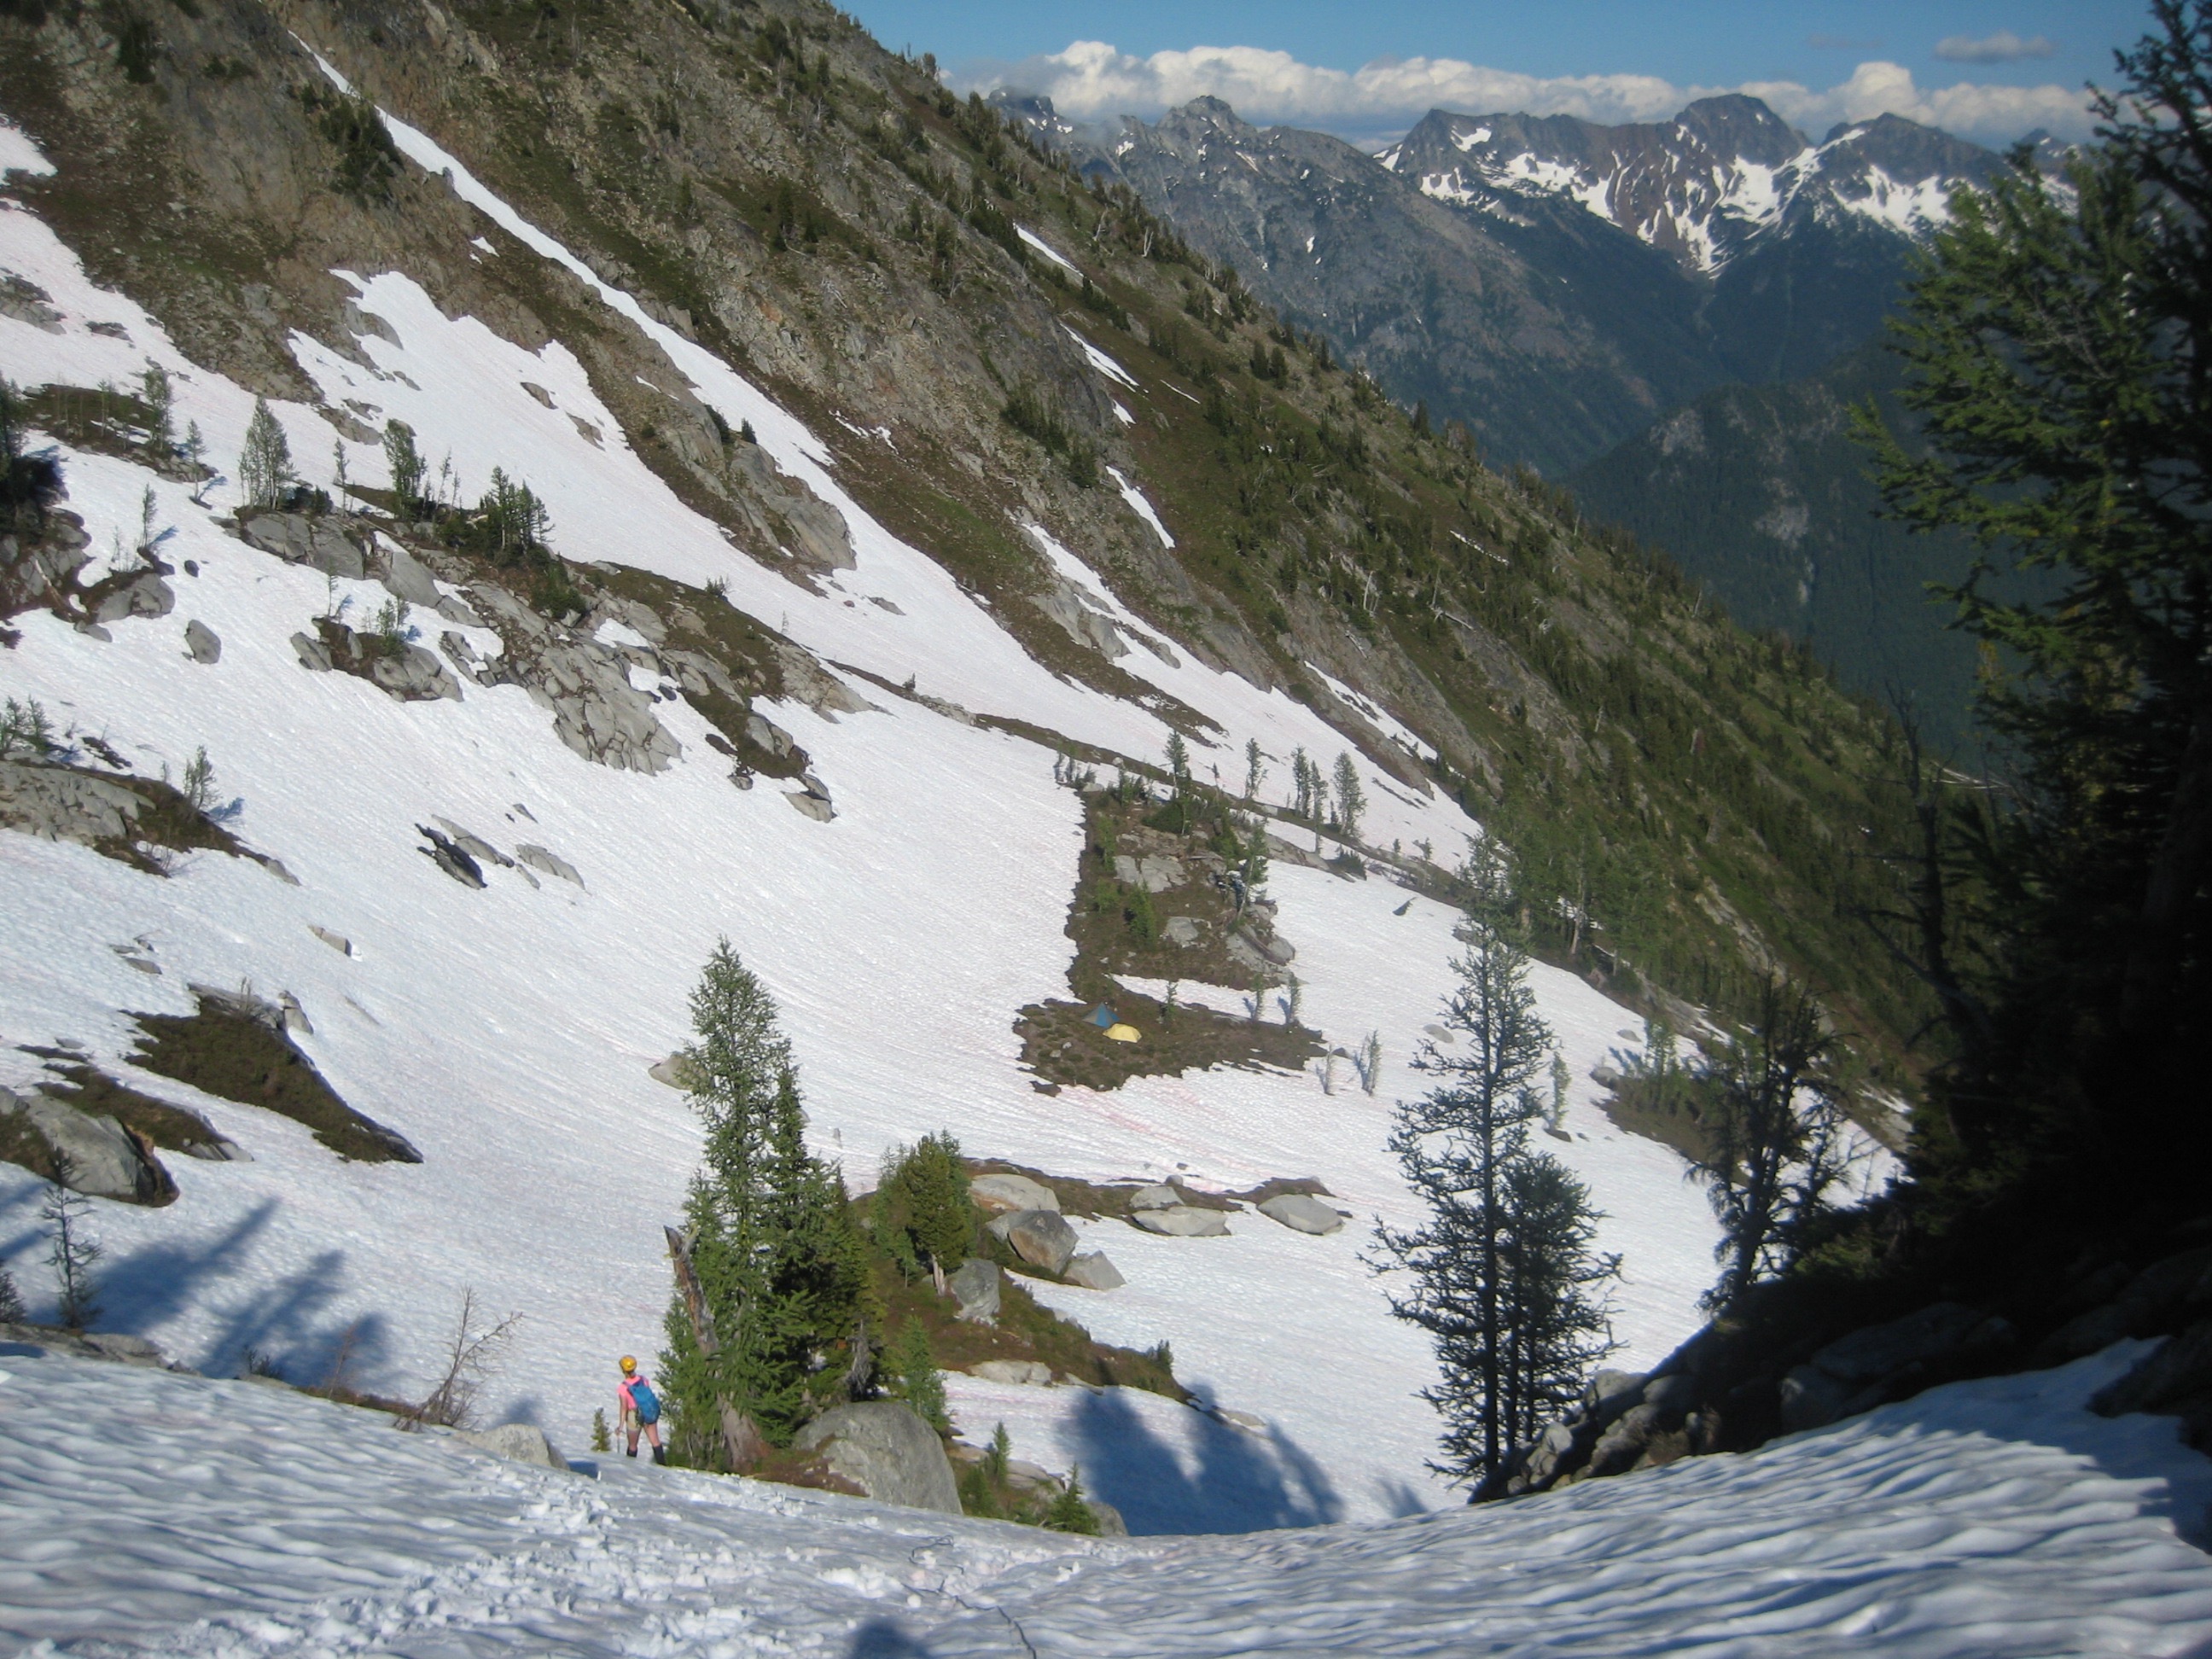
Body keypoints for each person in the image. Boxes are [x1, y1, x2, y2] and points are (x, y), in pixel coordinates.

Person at [616, 1354, 666, 1464]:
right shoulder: (643, 1380)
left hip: (634, 1415)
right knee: (655, 1442)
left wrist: (620, 1426)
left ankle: (631, 1468)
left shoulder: (623, 1387)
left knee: (633, 1446)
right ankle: (663, 1466)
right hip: (648, 1411)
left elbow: (624, 1407)